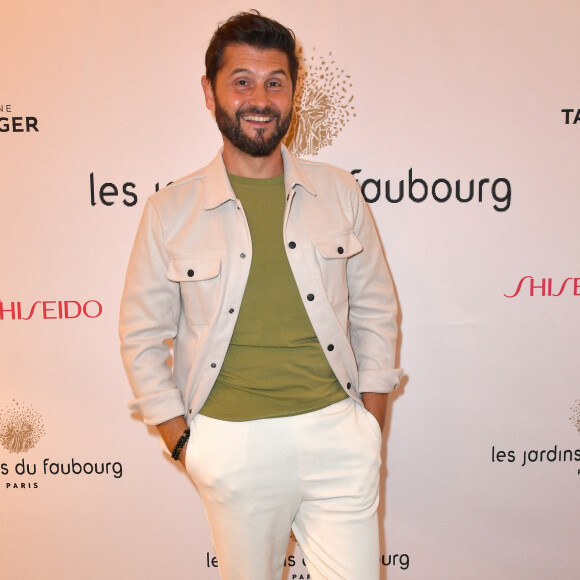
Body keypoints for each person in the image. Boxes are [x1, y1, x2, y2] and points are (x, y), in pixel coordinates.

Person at [119, 11, 402, 580]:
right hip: (232, 446)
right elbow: (142, 334)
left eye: (275, 81)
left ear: (294, 92)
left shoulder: (339, 191)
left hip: (337, 436)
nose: (260, 97)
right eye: (241, 80)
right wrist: (184, 443)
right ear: (210, 91)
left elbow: (376, 311)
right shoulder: (169, 211)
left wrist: (368, 425)